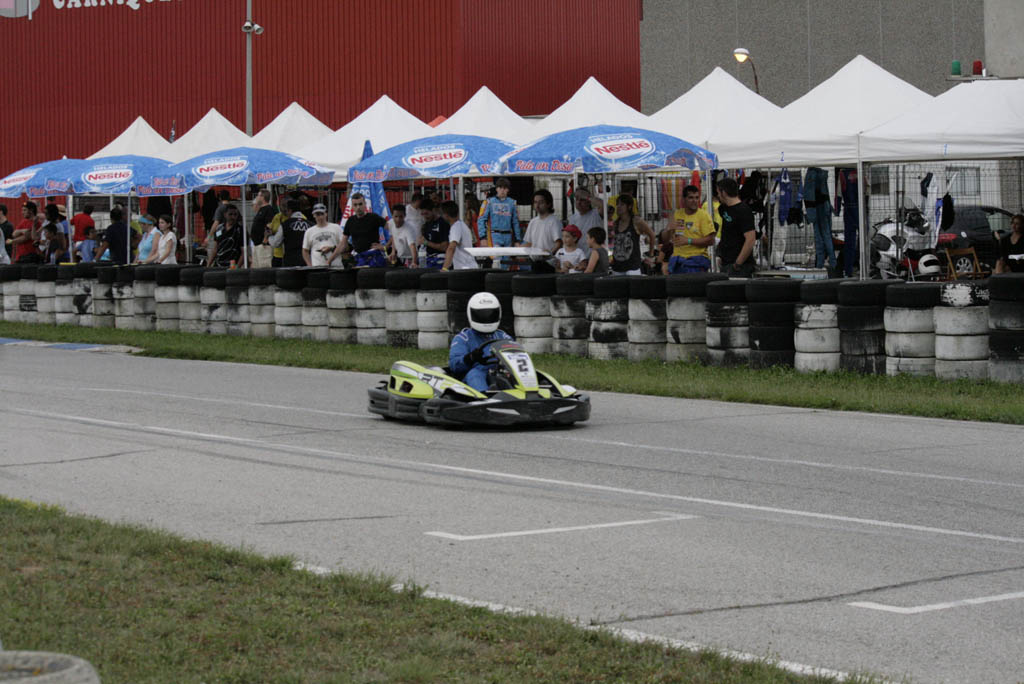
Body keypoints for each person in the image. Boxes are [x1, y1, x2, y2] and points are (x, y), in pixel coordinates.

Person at [449, 292, 513, 392]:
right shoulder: (463, 338)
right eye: (481, 315)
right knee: (475, 374)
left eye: (491, 315)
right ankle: (484, 396)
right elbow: (454, 365)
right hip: (477, 374)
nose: (486, 318)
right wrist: (471, 358)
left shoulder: (503, 336)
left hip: (500, 372)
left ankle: (532, 390)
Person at [664, 184, 716, 273]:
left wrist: (688, 241)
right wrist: (668, 229)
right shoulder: (677, 214)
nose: (694, 201)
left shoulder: (704, 215)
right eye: (691, 198)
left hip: (697, 261)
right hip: (677, 261)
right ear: (684, 199)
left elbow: (711, 240)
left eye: (697, 198)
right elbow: (665, 240)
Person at [609, 192, 656, 276]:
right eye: (617, 204)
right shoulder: (616, 223)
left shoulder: (636, 221)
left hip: (632, 267)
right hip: (617, 266)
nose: (618, 207)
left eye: (622, 204)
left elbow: (652, 235)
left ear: (629, 206)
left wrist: (651, 254)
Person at [717, 177, 757, 276]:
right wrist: (720, 255)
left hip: (740, 266)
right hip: (726, 262)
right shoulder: (723, 208)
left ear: (723, 192)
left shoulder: (744, 211)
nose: (718, 196)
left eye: (718, 192)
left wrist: (737, 264)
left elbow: (750, 239)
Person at [340, 192, 388, 267]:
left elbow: (394, 230)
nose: (358, 207)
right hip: (358, 259)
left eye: (360, 204)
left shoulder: (374, 217)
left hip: (374, 258)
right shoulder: (350, 221)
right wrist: (330, 259)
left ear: (365, 204)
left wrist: (385, 247)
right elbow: (342, 244)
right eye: (355, 205)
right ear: (352, 206)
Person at [804, 166, 836, 271]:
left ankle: (820, 263)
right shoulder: (822, 174)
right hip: (824, 206)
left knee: (819, 237)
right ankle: (832, 262)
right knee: (826, 235)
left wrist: (809, 211)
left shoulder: (811, 174)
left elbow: (808, 193)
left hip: (815, 207)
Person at [476, 178, 520, 248]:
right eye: (500, 188)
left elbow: (515, 222)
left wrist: (517, 240)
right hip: (494, 236)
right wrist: (482, 237)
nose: (502, 190)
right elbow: (481, 219)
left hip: (508, 236)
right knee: (496, 255)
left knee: (507, 255)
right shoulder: (489, 202)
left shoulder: (512, 203)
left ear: (508, 189)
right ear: (496, 189)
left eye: (505, 188)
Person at [268, 199, 310, 267]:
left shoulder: (285, 225)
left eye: (287, 210)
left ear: (290, 210)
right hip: (306, 261)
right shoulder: (310, 225)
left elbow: (275, 243)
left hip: (290, 261)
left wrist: (269, 236)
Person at [302, 203, 344, 267]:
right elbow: (305, 250)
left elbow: (345, 246)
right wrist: (310, 266)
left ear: (326, 214)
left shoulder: (336, 227)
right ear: (314, 215)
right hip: (317, 267)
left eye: (322, 214)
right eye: (317, 214)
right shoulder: (309, 231)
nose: (320, 217)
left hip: (336, 266)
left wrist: (331, 248)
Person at [522, 189, 563, 254]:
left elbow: (559, 243)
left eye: (541, 202)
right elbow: (529, 243)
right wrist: (515, 250)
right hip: (534, 258)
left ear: (549, 204)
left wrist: (549, 254)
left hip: (549, 259)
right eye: (535, 202)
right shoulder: (533, 222)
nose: (537, 205)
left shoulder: (554, 221)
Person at [440, 200, 478, 271]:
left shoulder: (456, 227)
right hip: (468, 267)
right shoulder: (462, 225)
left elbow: (451, 248)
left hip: (465, 268)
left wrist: (444, 268)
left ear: (446, 215)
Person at [419, 198, 449, 269]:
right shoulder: (426, 225)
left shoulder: (443, 223)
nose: (425, 217)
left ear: (433, 210)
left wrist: (426, 242)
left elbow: (445, 247)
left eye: (427, 213)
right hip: (428, 260)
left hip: (440, 261)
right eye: (422, 214)